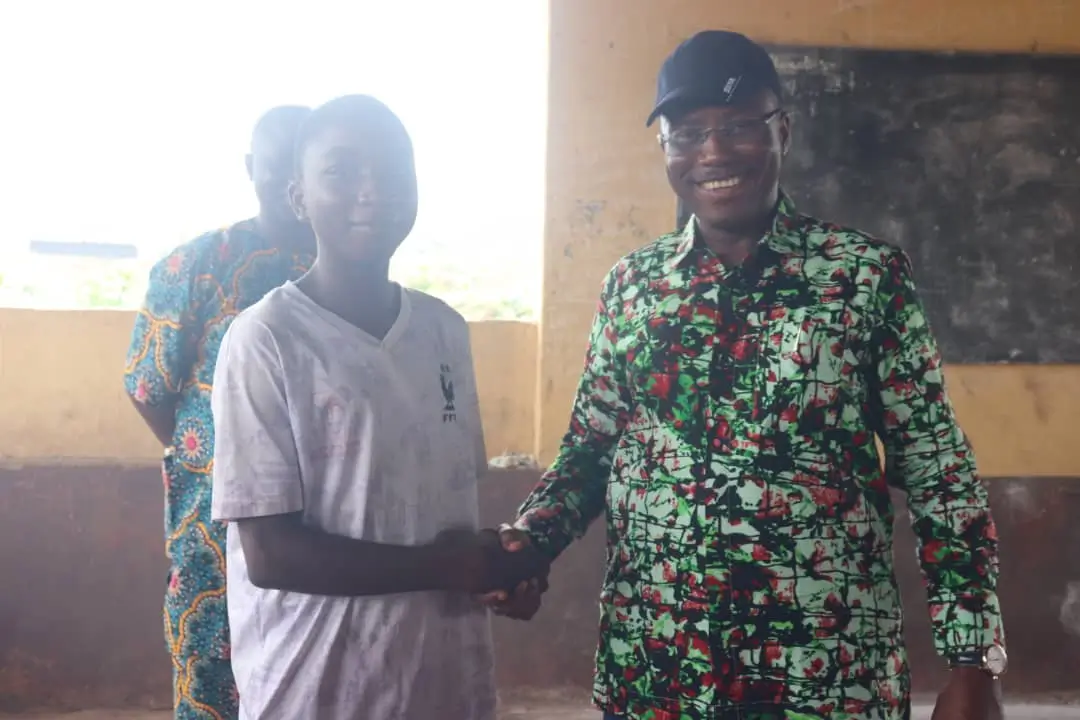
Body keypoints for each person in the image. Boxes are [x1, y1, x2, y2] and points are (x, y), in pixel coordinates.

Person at [486, 30, 1007, 720]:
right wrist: (530, 543)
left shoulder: (863, 276)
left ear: (782, 130)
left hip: (825, 679)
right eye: (687, 133)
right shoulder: (633, 287)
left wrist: (973, 662)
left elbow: (940, 470)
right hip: (659, 674)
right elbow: (590, 451)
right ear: (665, 148)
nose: (713, 153)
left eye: (737, 126)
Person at [209, 94, 547, 720]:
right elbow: (271, 554)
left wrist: (499, 566)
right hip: (318, 684)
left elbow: (437, 510)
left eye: (392, 169)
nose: (372, 190)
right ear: (298, 197)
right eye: (341, 171)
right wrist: (448, 566)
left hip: (441, 678)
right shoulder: (267, 338)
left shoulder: (444, 330)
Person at [123, 104, 314, 719]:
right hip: (214, 527)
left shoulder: (349, 274)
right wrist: (212, 455)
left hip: (324, 527)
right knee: (213, 669)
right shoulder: (197, 265)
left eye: (305, 165)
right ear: (250, 167)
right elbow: (148, 388)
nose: (290, 182)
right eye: (277, 165)